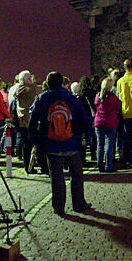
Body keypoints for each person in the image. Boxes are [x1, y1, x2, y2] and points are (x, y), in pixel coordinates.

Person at [28, 71, 94, 216]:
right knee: (76, 174)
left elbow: (32, 123)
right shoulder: (71, 97)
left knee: (57, 176)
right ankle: (78, 204)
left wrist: (36, 142)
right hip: (72, 142)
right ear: (61, 83)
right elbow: (85, 119)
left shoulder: (41, 98)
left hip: (51, 143)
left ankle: (59, 207)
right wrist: (85, 138)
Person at [10, 70, 40, 170]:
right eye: (29, 78)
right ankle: (41, 165)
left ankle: (28, 166)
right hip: (33, 121)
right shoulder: (33, 89)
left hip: (21, 120)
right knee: (37, 143)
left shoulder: (16, 89)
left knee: (26, 146)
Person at [93, 77, 122, 172]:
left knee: (100, 144)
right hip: (110, 122)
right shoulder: (113, 97)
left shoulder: (98, 96)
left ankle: (99, 165)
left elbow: (95, 104)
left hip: (99, 122)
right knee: (109, 144)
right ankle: (108, 165)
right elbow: (118, 107)